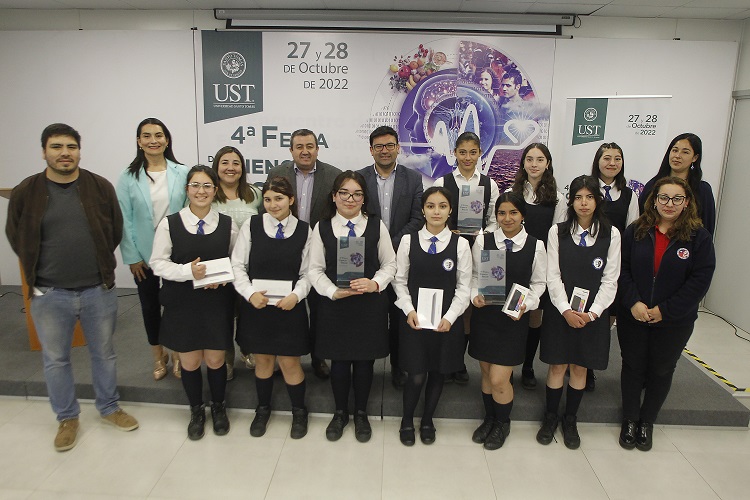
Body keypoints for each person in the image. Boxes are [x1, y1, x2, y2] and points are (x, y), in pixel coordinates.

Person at [6, 123, 138, 452]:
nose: (64, 153)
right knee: (56, 360)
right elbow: (16, 235)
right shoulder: (27, 191)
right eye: (56, 147)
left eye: (70, 147)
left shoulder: (99, 187)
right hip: (49, 294)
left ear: (79, 150)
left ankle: (109, 407)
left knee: (104, 355)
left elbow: (115, 230)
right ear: (44, 152)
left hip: (98, 290)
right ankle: (67, 417)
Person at [618, 177, 715, 451]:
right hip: (634, 314)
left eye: (676, 199)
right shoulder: (636, 231)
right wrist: (634, 303)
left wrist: (665, 310)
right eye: (664, 198)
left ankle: (647, 421)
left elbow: (700, 281)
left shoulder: (699, 237)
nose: (669, 204)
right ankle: (629, 419)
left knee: (661, 368)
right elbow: (621, 272)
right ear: (654, 200)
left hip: (674, 320)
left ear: (686, 203)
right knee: (633, 365)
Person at [150, 165, 239, 440]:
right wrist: (188, 271)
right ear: (187, 189)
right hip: (183, 303)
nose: (201, 191)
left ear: (215, 191)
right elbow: (157, 264)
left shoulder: (227, 224)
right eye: (195, 185)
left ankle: (219, 408)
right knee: (189, 362)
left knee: (215, 360)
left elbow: (237, 262)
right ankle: (196, 411)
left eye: (207, 186)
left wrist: (225, 277)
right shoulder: (170, 223)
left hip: (215, 302)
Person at [307, 170, 397, 443]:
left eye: (357, 194)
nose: (350, 198)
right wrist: (332, 292)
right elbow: (314, 270)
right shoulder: (322, 227)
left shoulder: (376, 225)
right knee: (339, 361)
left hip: (368, 305)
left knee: (364, 362)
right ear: (334, 197)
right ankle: (340, 413)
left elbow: (390, 264)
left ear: (363, 198)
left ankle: (360, 413)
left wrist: (375, 283)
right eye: (344, 193)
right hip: (336, 306)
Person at [536, 175, 620, 450]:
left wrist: (592, 314)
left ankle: (570, 419)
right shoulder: (557, 232)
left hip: (592, 317)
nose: (584, 203)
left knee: (580, 366)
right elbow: (552, 276)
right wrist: (565, 310)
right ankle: (550, 417)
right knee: (557, 365)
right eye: (578, 197)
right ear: (570, 201)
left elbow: (610, 280)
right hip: (561, 312)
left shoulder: (612, 234)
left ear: (598, 200)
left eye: (590, 197)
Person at [231, 176, 313, 439]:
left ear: (291, 200)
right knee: (263, 361)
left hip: (290, 308)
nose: (273, 204)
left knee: (289, 362)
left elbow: (309, 272)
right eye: (267, 199)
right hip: (257, 306)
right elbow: (237, 266)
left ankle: (299, 412)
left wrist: (297, 296)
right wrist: (249, 293)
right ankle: (262, 409)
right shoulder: (251, 226)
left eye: (279, 198)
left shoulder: (304, 230)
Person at [393, 186, 471, 446]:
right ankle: (406, 420)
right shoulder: (408, 241)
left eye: (442, 206)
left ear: (450, 211)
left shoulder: (460, 244)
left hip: (446, 323)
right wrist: (409, 309)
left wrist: (449, 317)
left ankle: (427, 420)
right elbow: (399, 280)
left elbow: (464, 287)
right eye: (430, 206)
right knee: (416, 375)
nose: (436, 211)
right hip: (414, 321)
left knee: (438, 373)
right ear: (423, 210)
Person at [469, 192, 546, 450]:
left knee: (501, 378)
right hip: (486, 316)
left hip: (514, 319)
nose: (507, 218)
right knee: (487, 374)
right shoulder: (483, 240)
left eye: (513, 212)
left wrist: (528, 304)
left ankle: (503, 423)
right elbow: (473, 277)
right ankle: (490, 418)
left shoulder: (536, 245)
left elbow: (538, 284)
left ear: (523, 215)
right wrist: (474, 296)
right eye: (502, 212)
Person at [116, 117, 188, 381]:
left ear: (167, 140)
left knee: (176, 306)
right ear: (139, 142)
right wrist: (132, 256)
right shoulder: (128, 177)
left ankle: (179, 354)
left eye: (158, 135)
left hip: (176, 254)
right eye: (146, 136)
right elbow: (123, 218)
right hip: (143, 255)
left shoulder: (182, 172)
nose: (153, 140)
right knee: (149, 306)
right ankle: (158, 355)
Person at [266, 129, 342, 380]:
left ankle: (319, 358)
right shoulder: (277, 174)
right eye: (299, 146)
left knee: (320, 311)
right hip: (285, 249)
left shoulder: (334, 176)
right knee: (285, 307)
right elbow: (267, 211)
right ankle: (283, 354)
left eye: (310, 146)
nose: (305, 151)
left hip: (321, 252)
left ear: (318, 149)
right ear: (291, 150)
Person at [357, 125, 424, 389]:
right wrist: (378, 245)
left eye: (389, 145)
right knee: (371, 318)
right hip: (368, 260)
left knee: (399, 321)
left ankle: (398, 367)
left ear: (398, 148)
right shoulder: (359, 178)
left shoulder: (413, 178)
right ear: (371, 150)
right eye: (379, 146)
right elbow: (355, 214)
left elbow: (417, 219)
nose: (384, 151)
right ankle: (367, 366)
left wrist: (389, 244)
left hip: (402, 259)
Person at [433, 131, 500, 384]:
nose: (467, 157)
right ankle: (446, 359)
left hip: (480, 248)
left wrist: (483, 235)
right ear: (454, 153)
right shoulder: (443, 182)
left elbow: (494, 220)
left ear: (480, 153)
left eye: (473, 152)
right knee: (452, 301)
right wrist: (447, 231)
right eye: (463, 152)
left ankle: (459, 362)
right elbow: (435, 215)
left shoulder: (489, 183)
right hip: (450, 248)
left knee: (472, 305)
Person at [510, 143, 566, 390]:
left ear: (548, 163)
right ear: (523, 163)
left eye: (539, 159)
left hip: (541, 263)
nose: (534, 164)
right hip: (515, 261)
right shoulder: (512, 192)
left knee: (534, 315)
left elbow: (557, 238)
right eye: (529, 159)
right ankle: (508, 363)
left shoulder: (558, 199)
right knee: (512, 313)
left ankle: (528, 365)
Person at [587, 142, 639, 391]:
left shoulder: (629, 196)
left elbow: (633, 231)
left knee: (606, 314)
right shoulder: (585, 189)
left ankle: (590, 362)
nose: (612, 163)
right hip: (585, 261)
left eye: (617, 159)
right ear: (597, 161)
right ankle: (580, 365)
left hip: (613, 263)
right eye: (606, 158)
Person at [211, 146, 263, 380]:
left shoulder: (255, 194)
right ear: (217, 167)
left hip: (249, 266)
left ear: (242, 167)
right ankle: (227, 359)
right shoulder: (208, 193)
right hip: (218, 266)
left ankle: (247, 350)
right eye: (225, 162)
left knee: (248, 313)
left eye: (235, 163)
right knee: (222, 315)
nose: (230, 168)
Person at [639, 133, 715, 235]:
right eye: (675, 150)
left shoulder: (702, 190)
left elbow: (707, 228)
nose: (677, 156)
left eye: (685, 152)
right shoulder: (653, 185)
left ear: (695, 157)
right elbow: (640, 219)